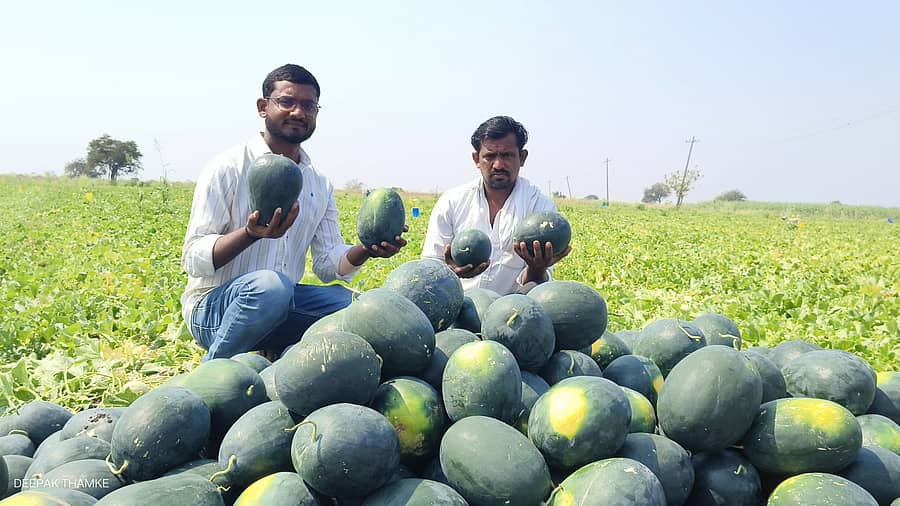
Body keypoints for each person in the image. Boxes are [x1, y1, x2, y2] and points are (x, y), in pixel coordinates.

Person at [181, 64, 406, 361]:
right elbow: (193, 258)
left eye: (308, 105)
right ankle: (214, 374)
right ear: (263, 107)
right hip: (214, 309)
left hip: (284, 307)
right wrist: (250, 234)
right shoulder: (227, 168)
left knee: (357, 307)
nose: (298, 112)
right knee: (271, 288)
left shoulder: (319, 183)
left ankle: (285, 361)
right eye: (287, 102)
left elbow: (327, 264)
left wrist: (368, 248)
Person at [421, 115, 571, 295]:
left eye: (507, 155)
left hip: (513, 314)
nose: (498, 165)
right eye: (490, 156)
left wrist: (537, 268)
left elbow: (537, 285)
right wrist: (449, 274)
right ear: (476, 159)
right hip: (457, 309)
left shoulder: (540, 208)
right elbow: (429, 266)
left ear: (522, 157)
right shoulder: (452, 202)